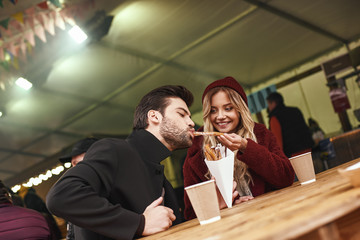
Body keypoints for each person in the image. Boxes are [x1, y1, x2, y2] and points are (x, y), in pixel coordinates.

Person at [46, 85, 196, 240]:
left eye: (190, 116)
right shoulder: (114, 149)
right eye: (182, 114)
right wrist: (139, 223)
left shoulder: (159, 175)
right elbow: (61, 196)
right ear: (154, 117)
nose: (191, 122)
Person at [183, 77, 295, 220]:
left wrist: (247, 147)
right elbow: (192, 213)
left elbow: (286, 177)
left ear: (240, 109)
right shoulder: (197, 150)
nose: (220, 116)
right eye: (213, 110)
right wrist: (230, 205)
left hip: (272, 216)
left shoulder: (260, 134)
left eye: (228, 108)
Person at [58, 137, 99, 240]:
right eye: (72, 164)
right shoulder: (77, 195)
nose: (74, 169)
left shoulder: (111, 190)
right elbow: (71, 236)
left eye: (77, 163)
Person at [266, 92, 314, 157]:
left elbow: (278, 142)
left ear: (273, 103)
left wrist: (279, 157)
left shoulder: (274, 118)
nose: (268, 107)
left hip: (292, 154)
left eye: (268, 104)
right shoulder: (296, 110)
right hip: (308, 149)